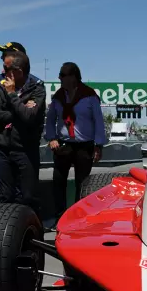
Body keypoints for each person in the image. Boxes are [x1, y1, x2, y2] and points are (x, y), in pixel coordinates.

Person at [45, 62, 106, 230]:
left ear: (73, 77)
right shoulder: (58, 97)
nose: (60, 78)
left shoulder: (89, 95)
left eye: (63, 75)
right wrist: (51, 138)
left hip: (84, 145)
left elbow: (98, 122)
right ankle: (59, 217)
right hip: (63, 144)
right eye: (60, 75)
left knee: (82, 183)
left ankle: (79, 219)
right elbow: (50, 120)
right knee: (58, 181)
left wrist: (98, 145)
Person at [0, 50, 46, 215]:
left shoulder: (37, 88)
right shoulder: (2, 86)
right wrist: (16, 114)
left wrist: (13, 94)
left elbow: (29, 117)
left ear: (19, 71)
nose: (4, 73)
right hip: (3, 147)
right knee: (5, 196)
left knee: (28, 196)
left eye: (7, 70)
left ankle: (33, 234)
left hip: (25, 149)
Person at [0, 41, 30, 199]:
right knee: (0, 182)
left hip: (22, 140)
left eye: (6, 54)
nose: (2, 58)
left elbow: (30, 113)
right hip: (0, 138)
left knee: (22, 186)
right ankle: (1, 219)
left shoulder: (32, 83)